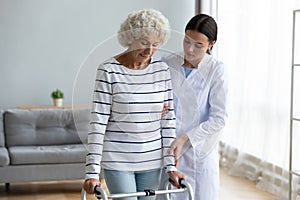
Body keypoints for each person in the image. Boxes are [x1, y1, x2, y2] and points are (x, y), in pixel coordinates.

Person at [83, 9, 185, 200]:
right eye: (144, 43)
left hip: (151, 160)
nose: (149, 51)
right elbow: (98, 123)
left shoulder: (161, 70)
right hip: (118, 159)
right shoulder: (109, 71)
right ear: (130, 38)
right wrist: (92, 172)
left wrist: (170, 166)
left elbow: (168, 122)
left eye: (155, 45)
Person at [158, 14, 228, 200]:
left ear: (211, 44)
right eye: (187, 41)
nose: (189, 49)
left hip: (198, 152)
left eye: (198, 45)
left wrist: (185, 138)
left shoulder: (216, 70)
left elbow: (219, 118)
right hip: (167, 149)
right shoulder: (167, 63)